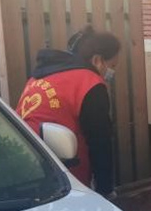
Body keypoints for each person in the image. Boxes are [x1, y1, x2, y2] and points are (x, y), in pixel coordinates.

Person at [17, 27, 120, 195]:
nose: (112, 73)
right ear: (97, 60)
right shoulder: (89, 83)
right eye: (112, 66)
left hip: (25, 166)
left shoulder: (38, 77)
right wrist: (105, 190)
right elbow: (100, 142)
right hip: (64, 178)